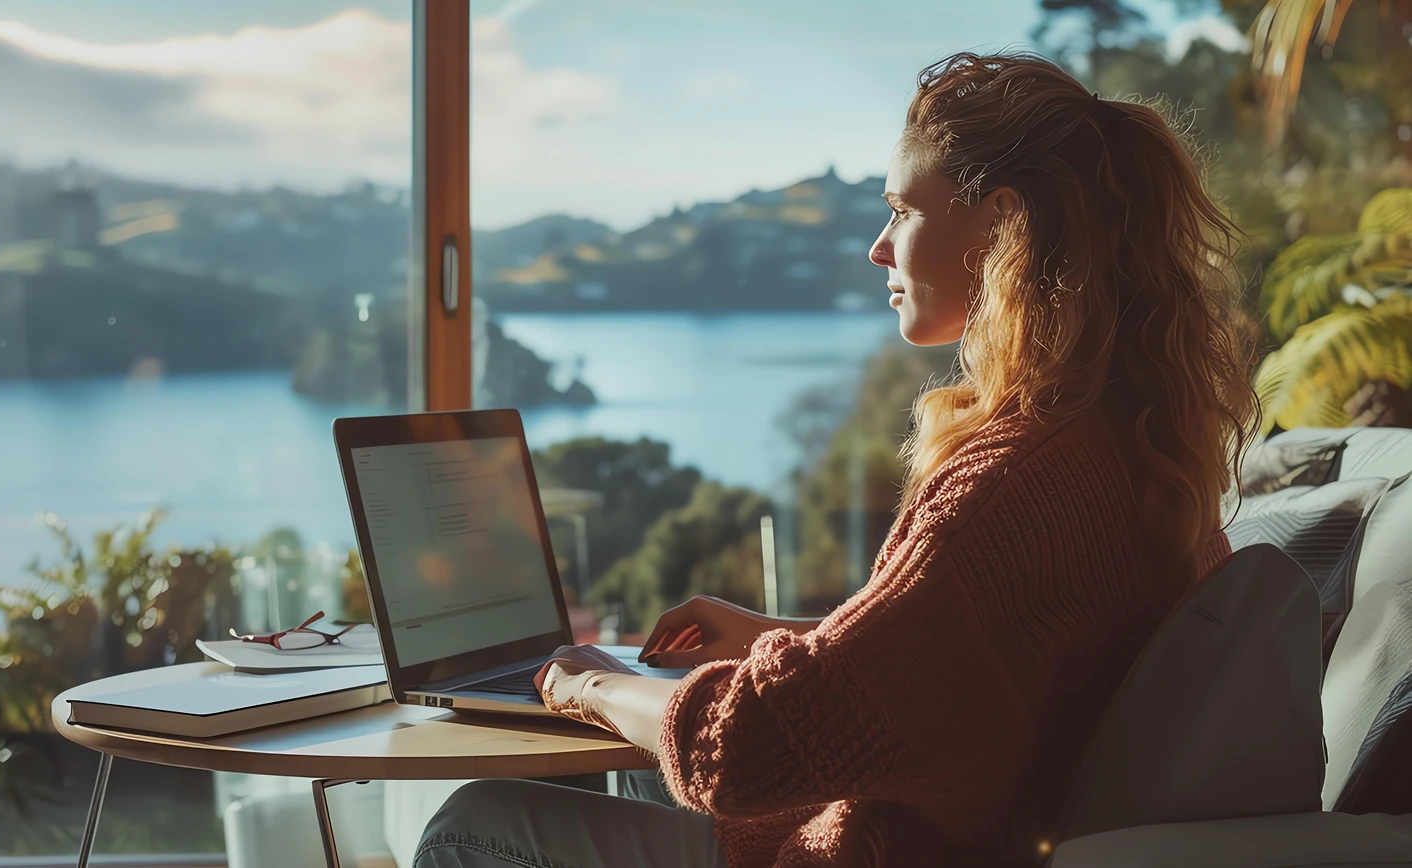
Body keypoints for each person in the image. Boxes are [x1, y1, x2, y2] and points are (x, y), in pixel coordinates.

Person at [414, 51, 1260, 868]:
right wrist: (778, 640)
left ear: (1001, 225)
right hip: (978, 831)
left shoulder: (1009, 479)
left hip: (906, 851)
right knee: (643, 754)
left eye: (902, 209)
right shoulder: (1126, 442)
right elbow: (977, 675)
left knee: (471, 823)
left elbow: (739, 753)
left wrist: (587, 683)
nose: (878, 246)